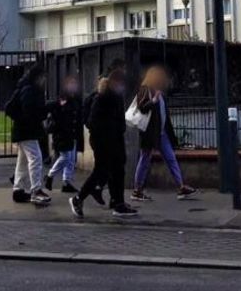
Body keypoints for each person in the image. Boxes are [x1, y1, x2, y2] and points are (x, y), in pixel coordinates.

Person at [70, 69, 137, 218]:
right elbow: (92, 121)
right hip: (104, 141)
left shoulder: (115, 97)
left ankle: (117, 203)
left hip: (114, 140)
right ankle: (78, 198)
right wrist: (109, 131)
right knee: (102, 171)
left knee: (117, 171)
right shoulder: (102, 98)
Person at [132, 65, 196, 201]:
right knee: (144, 159)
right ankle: (137, 190)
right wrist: (153, 100)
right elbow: (141, 108)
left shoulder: (159, 93)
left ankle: (181, 187)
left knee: (171, 158)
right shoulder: (145, 90)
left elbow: (163, 116)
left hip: (161, 134)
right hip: (149, 134)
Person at [5, 64, 51, 206]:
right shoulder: (30, 91)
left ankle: (18, 190)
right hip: (27, 131)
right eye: (43, 77)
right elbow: (30, 112)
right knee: (35, 158)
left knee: (23, 161)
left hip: (24, 131)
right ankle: (36, 190)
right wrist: (44, 112)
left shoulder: (26, 88)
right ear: (37, 77)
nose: (44, 80)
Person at [44, 73, 84, 193]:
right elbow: (53, 109)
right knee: (66, 157)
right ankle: (50, 176)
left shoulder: (75, 99)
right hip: (62, 134)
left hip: (72, 133)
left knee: (71, 159)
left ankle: (67, 182)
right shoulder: (63, 99)